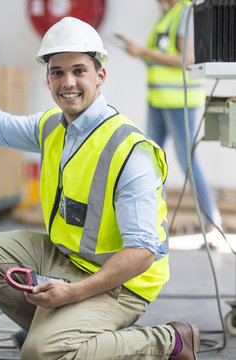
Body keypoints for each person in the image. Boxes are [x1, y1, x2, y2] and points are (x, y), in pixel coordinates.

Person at [0, 15, 200, 360]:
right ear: (48, 79)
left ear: (100, 76)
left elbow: (141, 253)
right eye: (57, 72)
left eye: (79, 70)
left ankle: (168, 341)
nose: (68, 82)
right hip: (68, 257)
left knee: (39, 354)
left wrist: (75, 293)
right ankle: (58, 329)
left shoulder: (130, 151)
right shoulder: (53, 125)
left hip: (123, 283)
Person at [115, 0, 223, 239]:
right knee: (150, 159)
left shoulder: (185, 12)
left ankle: (212, 221)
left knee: (187, 160)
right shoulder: (167, 14)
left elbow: (188, 59)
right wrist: (140, 52)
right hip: (159, 99)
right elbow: (163, 56)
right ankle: (153, 219)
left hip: (179, 100)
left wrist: (145, 51)